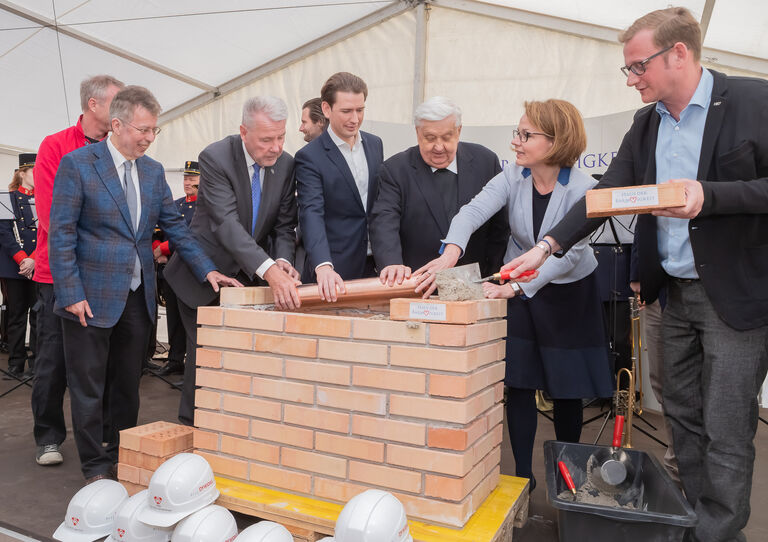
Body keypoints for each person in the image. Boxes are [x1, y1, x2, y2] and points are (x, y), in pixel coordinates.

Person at [506, 8, 768, 541]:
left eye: (637, 66)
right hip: (668, 296)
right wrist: (548, 246)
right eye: (627, 69)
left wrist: (708, 196)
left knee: (726, 424)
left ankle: (718, 534)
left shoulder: (755, 101)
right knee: (683, 418)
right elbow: (602, 197)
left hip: (734, 300)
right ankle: (697, 520)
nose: (631, 79)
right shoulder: (645, 124)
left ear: (679, 54)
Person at [416, 100, 614, 491]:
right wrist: (451, 251)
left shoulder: (584, 188)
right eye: (517, 133)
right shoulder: (513, 177)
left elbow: (568, 254)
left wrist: (518, 286)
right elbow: (470, 212)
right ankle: (522, 478)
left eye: (526, 135)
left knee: (566, 390)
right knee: (518, 383)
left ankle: (567, 479)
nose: (516, 142)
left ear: (556, 141)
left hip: (568, 294)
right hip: (519, 291)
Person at [48, 85, 239, 482]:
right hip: (88, 297)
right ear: (116, 125)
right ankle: (95, 467)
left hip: (137, 298)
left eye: (155, 131)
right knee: (88, 387)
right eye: (144, 130)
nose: (150, 138)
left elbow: (177, 229)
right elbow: (61, 234)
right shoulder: (78, 165)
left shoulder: (152, 172)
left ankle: (121, 457)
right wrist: (71, 293)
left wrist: (207, 269)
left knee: (127, 386)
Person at [164, 96, 301, 426]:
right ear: (243, 131)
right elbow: (225, 222)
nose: (276, 147)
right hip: (204, 274)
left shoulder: (285, 164)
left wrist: (281, 260)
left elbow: (284, 224)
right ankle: (194, 437)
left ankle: (233, 437)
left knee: (243, 362)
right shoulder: (216, 157)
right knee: (205, 361)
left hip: (249, 280)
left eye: (281, 137)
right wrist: (269, 270)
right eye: (267, 139)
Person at [32, 74, 125, 467]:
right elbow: (55, 216)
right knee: (53, 360)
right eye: (117, 104)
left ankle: (102, 436)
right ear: (93, 105)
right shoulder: (54, 146)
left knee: (101, 364)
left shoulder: (117, 148)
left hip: (106, 278)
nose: (123, 112)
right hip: (59, 275)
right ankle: (49, 436)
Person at [369, 96, 508, 286]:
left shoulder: (485, 161)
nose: (439, 147)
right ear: (418, 132)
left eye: (446, 137)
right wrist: (392, 264)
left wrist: (493, 276)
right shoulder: (395, 170)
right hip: (417, 286)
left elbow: (499, 229)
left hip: (476, 286)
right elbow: (384, 223)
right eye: (430, 138)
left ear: (458, 131)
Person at [295, 72, 384, 300]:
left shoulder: (375, 144)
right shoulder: (309, 157)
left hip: (375, 267)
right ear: (326, 109)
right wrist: (323, 265)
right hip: (333, 271)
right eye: (346, 111)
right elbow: (311, 212)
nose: (355, 118)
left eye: (360, 110)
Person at [152, 161, 200, 377]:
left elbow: (191, 235)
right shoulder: (176, 204)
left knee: (189, 319)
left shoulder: (203, 207)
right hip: (170, 270)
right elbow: (156, 230)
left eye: (192, 179)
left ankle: (192, 362)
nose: (187, 182)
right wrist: (156, 249)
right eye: (185, 178)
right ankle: (175, 358)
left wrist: (164, 248)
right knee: (172, 315)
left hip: (189, 271)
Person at [0, 154, 38, 379]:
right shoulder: (8, 198)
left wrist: (33, 258)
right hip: (15, 266)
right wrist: (22, 258)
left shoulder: (44, 198)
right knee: (16, 315)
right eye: (34, 171)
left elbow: (47, 232)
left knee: (38, 315)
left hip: (37, 264)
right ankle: (15, 363)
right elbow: (4, 233)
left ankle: (36, 364)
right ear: (22, 173)